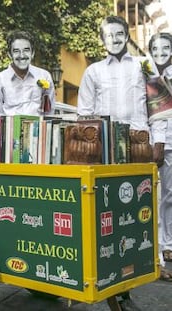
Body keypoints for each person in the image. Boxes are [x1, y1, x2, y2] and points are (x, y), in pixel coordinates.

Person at [77, 15, 161, 310]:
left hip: (138, 147)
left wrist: (157, 142)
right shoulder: (92, 71)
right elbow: (85, 114)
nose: (113, 39)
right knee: (105, 218)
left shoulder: (144, 67)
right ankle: (111, 289)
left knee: (138, 215)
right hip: (104, 150)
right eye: (108, 35)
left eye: (119, 33)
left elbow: (159, 108)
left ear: (127, 35)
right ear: (101, 39)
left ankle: (129, 284)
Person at [148, 32, 172, 282]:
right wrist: (158, 142)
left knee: (170, 196)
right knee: (154, 198)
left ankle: (168, 244)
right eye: (156, 48)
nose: (160, 52)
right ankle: (156, 255)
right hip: (155, 142)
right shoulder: (147, 75)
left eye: (165, 48)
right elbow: (157, 114)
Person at [0, 30, 56, 121]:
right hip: (10, 132)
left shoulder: (44, 76)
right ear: (10, 54)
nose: (22, 55)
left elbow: (49, 111)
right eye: (16, 51)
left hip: (38, 132)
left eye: (26, 50)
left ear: (32, 53)